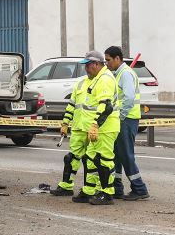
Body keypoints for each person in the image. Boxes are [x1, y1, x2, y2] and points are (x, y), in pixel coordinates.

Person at [55, 50, 121, 206]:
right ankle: (89, 190)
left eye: (88, 65)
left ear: (96, 64)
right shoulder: (96, 79)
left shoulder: (105, 79)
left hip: (106, 126)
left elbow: (106, 106)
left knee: (104, 160)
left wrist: (94, 125)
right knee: (92, 159)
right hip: (98, 127)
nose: (86, 69)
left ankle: (107, 193)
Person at [105, 46, 150, 200]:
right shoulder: (118, 74)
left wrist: (121, 116)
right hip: (123, 120)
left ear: (118, 59)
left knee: (125, 155)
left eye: (108, 60)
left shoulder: (125, 74)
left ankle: (139, 188)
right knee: (116, 155)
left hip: (126, 119)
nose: (107, 63)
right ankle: (117, 187)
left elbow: (129, 98)